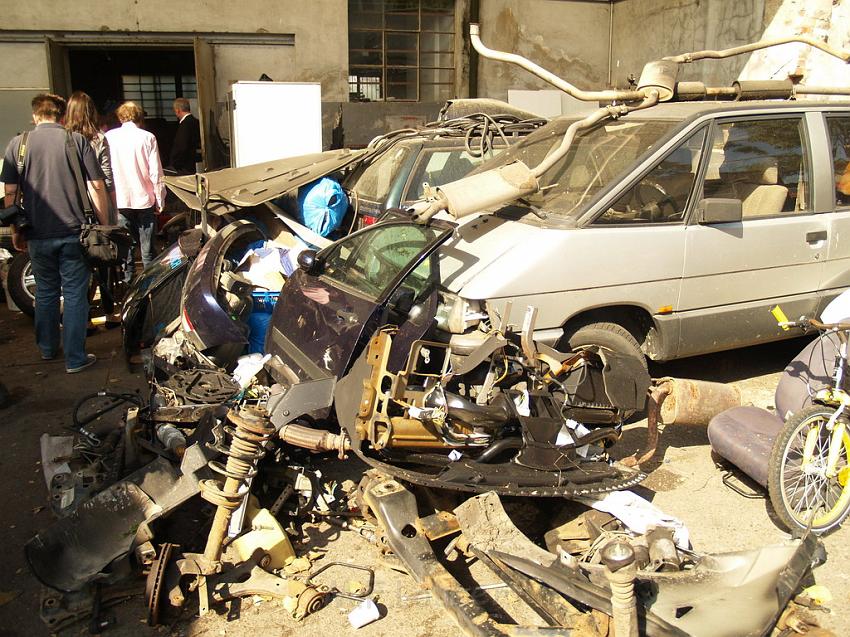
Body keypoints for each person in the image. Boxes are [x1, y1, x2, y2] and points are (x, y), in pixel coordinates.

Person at [1, 93, 110, 373]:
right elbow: (97, 186)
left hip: (36, 232)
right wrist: (104, 223)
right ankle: (75, 359)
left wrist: (16, 230)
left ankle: (48, 349)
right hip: (75, 231)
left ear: (35, 115)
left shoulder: (18, 145)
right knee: (75, 293)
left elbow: (10, 193)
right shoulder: (76, 141)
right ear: (62, 116)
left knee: (46, 292)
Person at [65, 91, 119, 318]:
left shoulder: (63, 138)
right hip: (96, 207)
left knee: (78, 268)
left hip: (71, 207)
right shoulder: (98, 138)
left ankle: (84, 316)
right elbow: (105, 178)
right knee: (103, 258)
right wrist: (111, 211)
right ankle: (108, 313)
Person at [105, 101, 165, 284]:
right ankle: (149, 287)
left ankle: (128, 285)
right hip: (144, 198)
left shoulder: (108, 137)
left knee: (125, 248)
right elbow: (156, 172)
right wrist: (160, 199)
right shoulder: (148, 137)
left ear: (120, 116)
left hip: (120, 199)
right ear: (140, 116)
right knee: (147, 249)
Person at [169, 97, 201, 175]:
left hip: (185, 166)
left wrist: (174, 163)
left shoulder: (185, 125)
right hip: (196, 162)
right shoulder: (196, 122)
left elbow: (181, 146)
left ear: (178, 110)